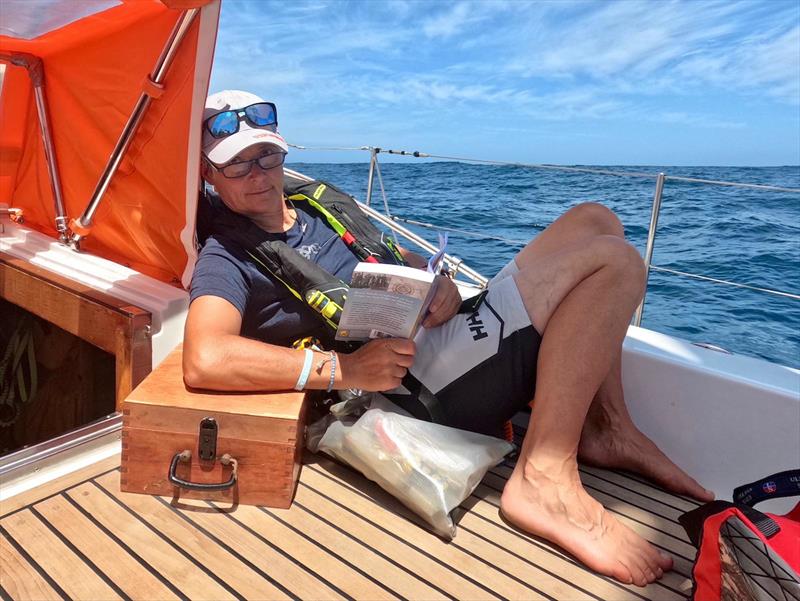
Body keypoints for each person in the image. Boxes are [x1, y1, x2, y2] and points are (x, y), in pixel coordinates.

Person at [184, 90, 715, 587]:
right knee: (615, 265)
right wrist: (346, 371)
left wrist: (433, 283)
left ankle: (607, 428)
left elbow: (396, 261)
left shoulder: (313, 207)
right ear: (211, 176)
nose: (258, 175)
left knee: (594, 219)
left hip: (431, 337)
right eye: (237, 165)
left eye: (267, 157)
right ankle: (543, 478)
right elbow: (204, 358)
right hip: (395, 396)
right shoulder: (226, 260)